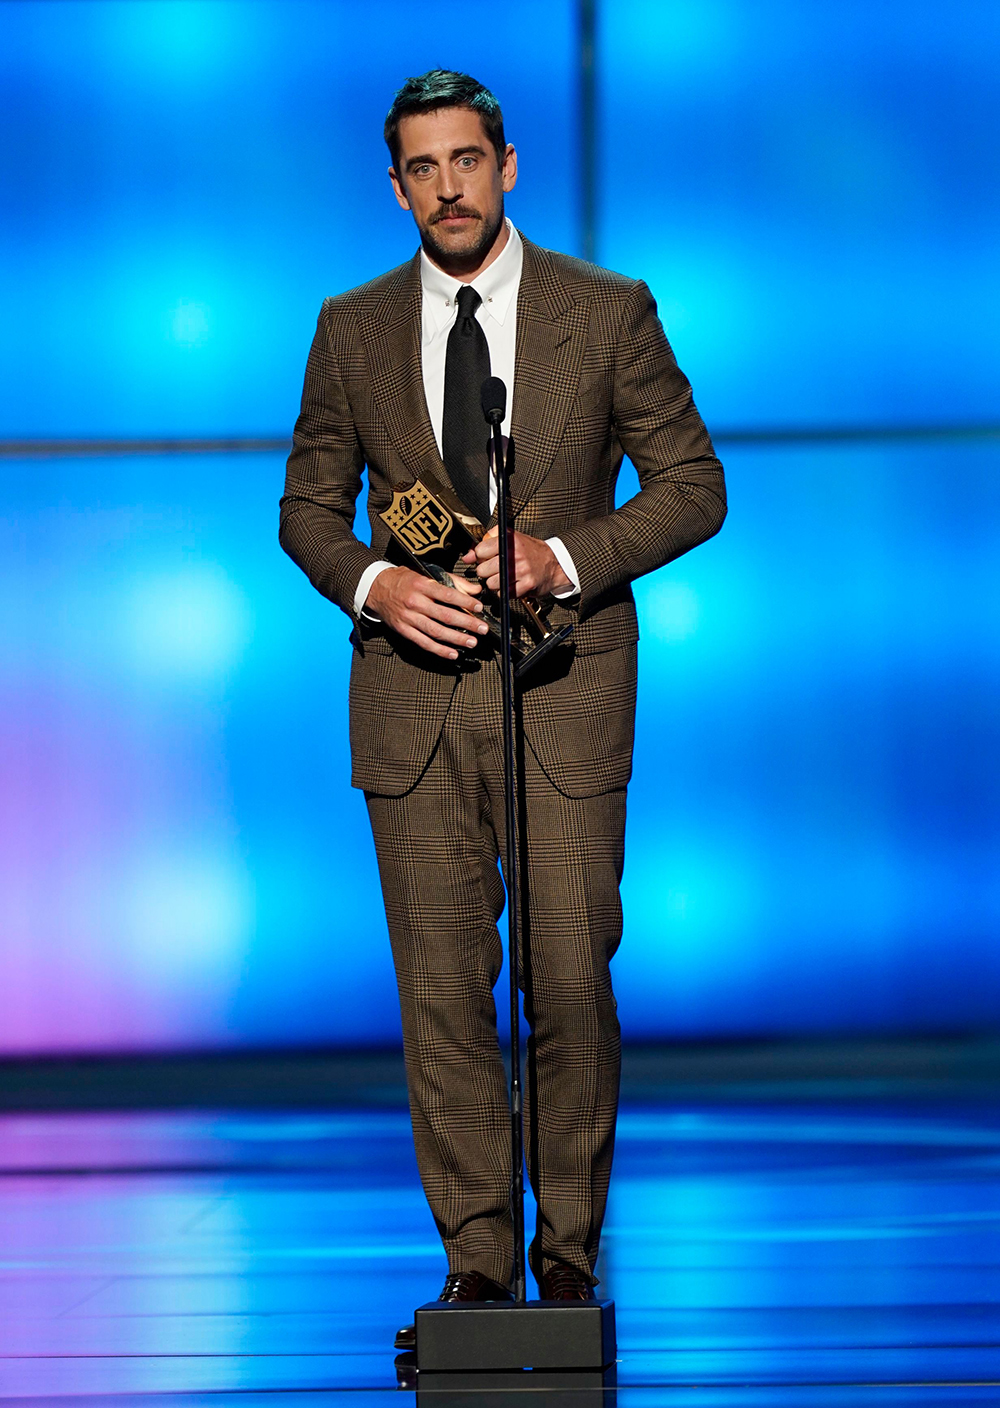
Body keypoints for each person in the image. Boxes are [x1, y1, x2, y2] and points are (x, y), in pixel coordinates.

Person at [279, 70, 726, 1336]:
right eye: (421, 167)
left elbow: (693, 485)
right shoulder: (350, 326)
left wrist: (561, 556)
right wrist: (375, 584)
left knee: (570, 975)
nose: (447, 186)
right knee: (438, 988)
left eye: (466, 160)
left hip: (566, 682)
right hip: (412, 698)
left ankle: (570, 1253)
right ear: (395, 184)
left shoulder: (605, 310)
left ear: (509, 164)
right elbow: (309, 507)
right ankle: (478, 1260)